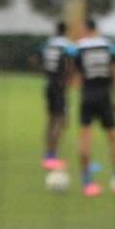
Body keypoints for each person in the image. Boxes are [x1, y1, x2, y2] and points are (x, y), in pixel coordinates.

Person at [74, 18, 115, 197]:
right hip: (104, 98)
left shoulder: (79, 48)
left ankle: (87, 183)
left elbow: (76, 78)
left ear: (86, 29)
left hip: (87, 97)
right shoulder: (109, 46)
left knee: (85, 139)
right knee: (114, 140)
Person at [39, 21, 76, 171]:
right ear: (66, 31)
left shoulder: (48, 44)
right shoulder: (67, 45)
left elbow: (37, 59)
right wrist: (68, 80)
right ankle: (51, 156)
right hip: (60, 85)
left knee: (51, 119)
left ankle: (48, 153)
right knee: (62, 120)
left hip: (49, 83)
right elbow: (70, 64)